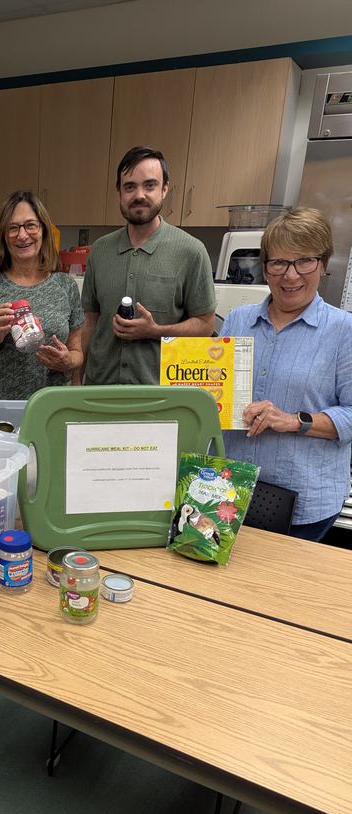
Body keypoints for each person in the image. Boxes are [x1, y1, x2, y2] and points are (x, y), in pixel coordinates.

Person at [221, 208, 352, 542]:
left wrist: (292, 420)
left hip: (303, 503)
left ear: (323, 264)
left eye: (304, 261)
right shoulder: (237, 321)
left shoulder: (343, 331)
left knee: (280, 592)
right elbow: (218, 391)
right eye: (278, 263)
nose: (290, 275)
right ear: (265, 267)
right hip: (231, 492)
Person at [77, 146, 216, 386]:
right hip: (100, 389)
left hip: (159, 396)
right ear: (119, 192)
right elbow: (89, 321)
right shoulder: (99, 251)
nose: (139, 194)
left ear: (164, 190)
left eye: (150, 185)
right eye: (130, 186)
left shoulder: (191, 252)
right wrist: (76, 380)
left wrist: (155, 331)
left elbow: (205, 325)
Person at [0, 190, 83, 403]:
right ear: (3, 235)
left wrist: (67, 361)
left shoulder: (66, 286)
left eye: (30, 225)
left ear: (43, 230)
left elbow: (77, 354)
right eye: (13, 228)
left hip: (50, 409)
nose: (22, 235)